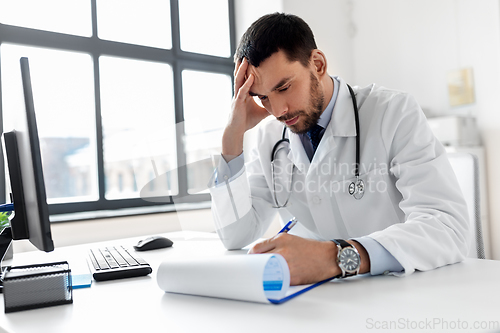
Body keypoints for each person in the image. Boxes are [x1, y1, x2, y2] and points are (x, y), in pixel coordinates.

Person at [208, 12, 469, 285]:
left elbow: (446, 227)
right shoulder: (269, 139)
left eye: (284, 87)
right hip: (321, 302)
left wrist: (335, 257)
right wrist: (231, 140)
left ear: (318, 64)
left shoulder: (393, 112)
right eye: (263, 97)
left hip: (403, 289)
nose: (278, 110)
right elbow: (235, 235)